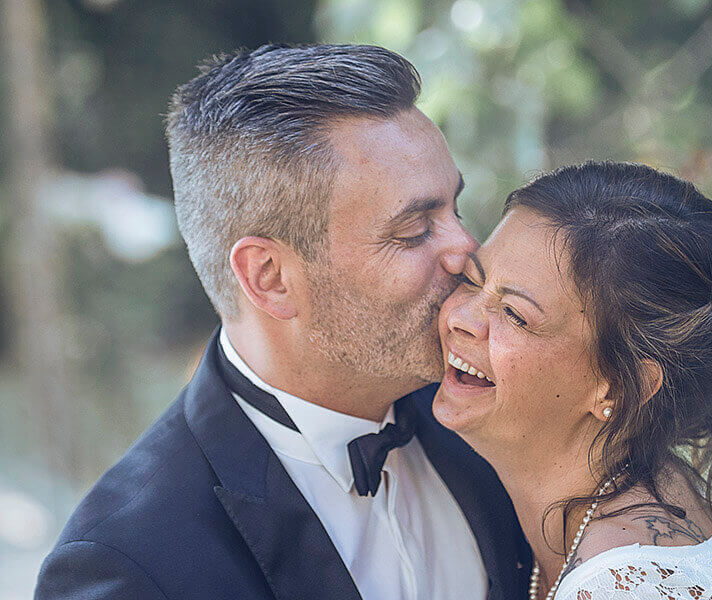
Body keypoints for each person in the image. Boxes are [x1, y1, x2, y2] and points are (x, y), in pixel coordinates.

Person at [36, 44, 530, 600]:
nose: (467, 250)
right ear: (269, 277)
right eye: (414, 231)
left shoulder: (495, 413)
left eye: (455, 210)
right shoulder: (133, 566)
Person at [434, 161, 712, 600]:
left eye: (514, 314)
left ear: (620, 389)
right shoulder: (644, 483)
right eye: (473, 280)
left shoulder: (627, 587)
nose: (460, 319)